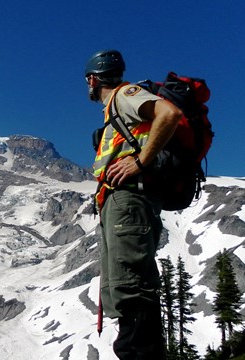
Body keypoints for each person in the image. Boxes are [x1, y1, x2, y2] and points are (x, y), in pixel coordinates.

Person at [85, 49, 182, 359]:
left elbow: (169, 114)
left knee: (132, 287)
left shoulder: (125, 94)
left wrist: (139, 161)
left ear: (92, 79)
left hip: (129, 201)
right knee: (124, 290)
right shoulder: (114, 109)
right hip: (121, 204)